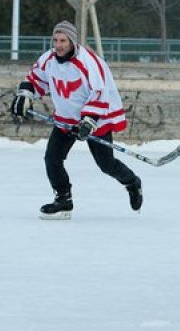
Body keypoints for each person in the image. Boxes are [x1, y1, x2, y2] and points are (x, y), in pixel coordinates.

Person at [10, 20, 142, 220]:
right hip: (66, 120)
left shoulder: (89, 62)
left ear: (72, 41)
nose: (58, 45)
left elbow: (99, 91)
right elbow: (36, 80)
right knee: (52, 159)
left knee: (106, 165)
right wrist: (24, 96)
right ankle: (63, 200)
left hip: (95, 120)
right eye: (55, 40)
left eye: (63, 40)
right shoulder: (48, 59)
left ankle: (132, 183)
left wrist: (88, 121)